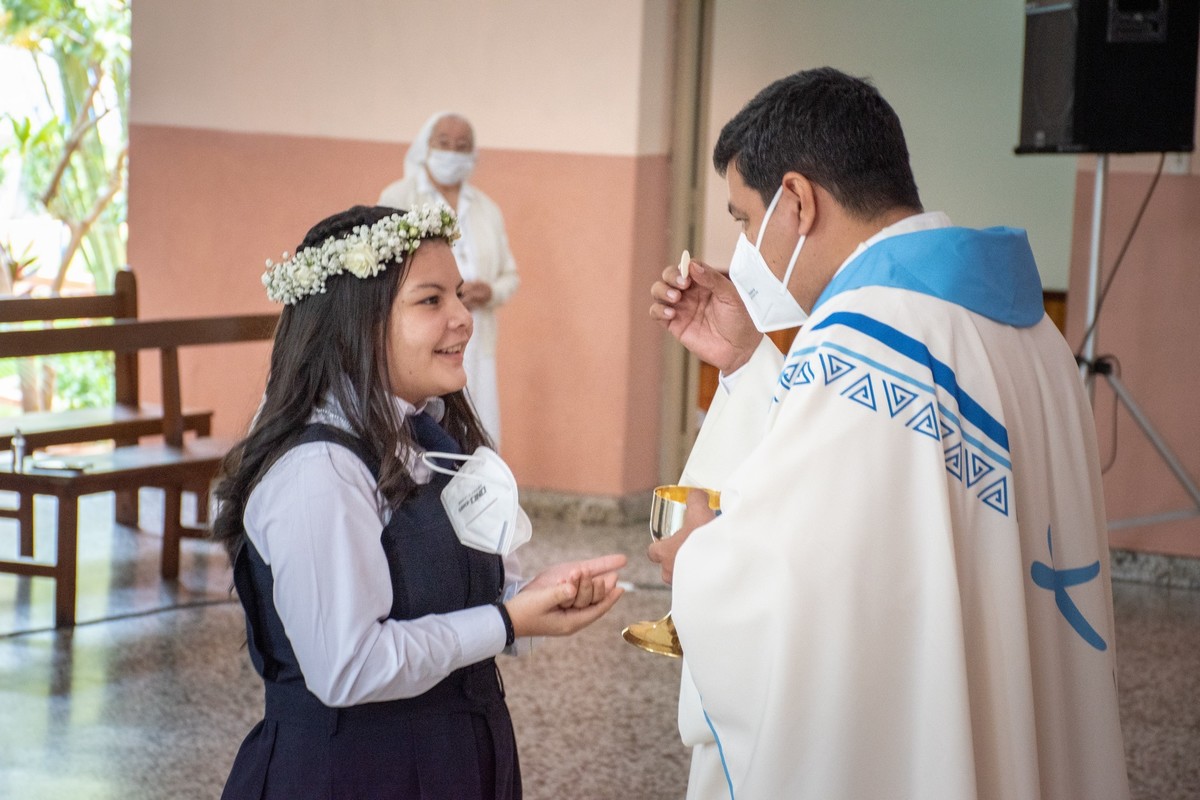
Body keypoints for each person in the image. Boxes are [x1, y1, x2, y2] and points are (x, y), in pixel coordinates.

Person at [647, 68, 1129, 799]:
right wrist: (750, 359)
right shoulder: (1031, 330)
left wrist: (699, 564)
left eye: (745, 219)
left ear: (798, 200)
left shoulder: (863, 335)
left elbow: (796, 587)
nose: (742, 248)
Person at [215, 204, 624, 799]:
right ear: (357, 323)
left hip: (452, 756)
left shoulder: (434, 437)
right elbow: (348, 666)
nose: (463, 318)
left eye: (458, 294)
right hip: (355, 773)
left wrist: (532, 601)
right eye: (431, 300)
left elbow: (455, 593)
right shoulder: (318, 470)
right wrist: (505, 621)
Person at [379, 112, 518, 447]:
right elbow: (385, 273)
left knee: (479, 428)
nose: (452, 153)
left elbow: (510, 275)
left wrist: (490, 292)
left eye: (462, 146)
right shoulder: (399, 198)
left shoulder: (486, 208)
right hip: (423, 336)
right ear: (426, 146)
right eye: (444, 143)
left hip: (477, 334)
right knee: (427, 429)